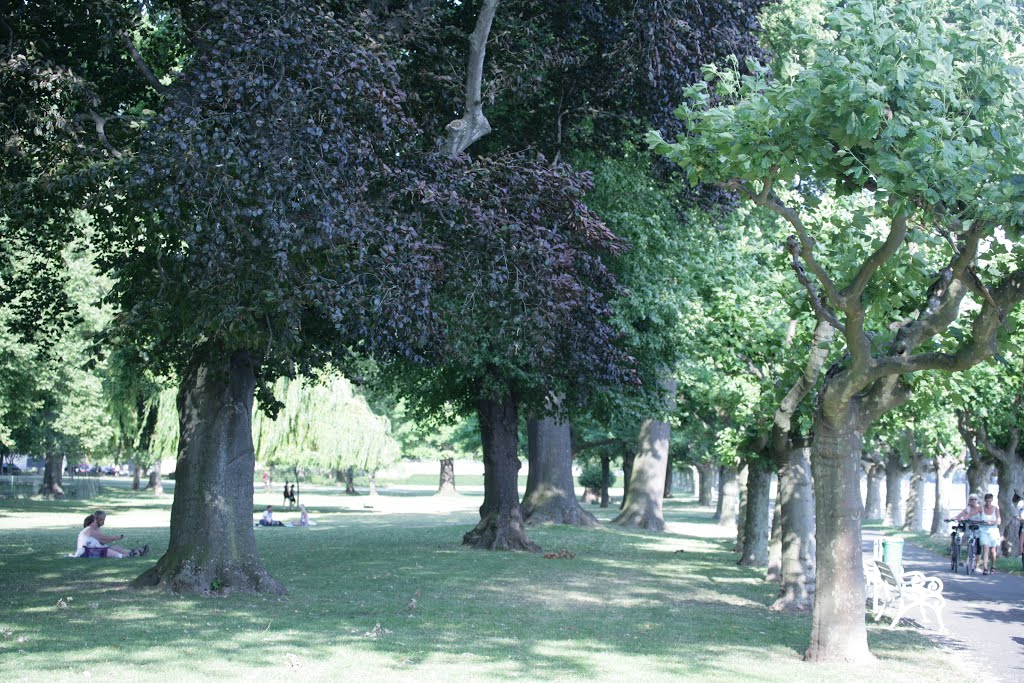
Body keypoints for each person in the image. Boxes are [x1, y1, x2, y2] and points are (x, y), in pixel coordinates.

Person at [74, 510, 148, 558]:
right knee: (107, 551)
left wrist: (116, 538)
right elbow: (103, 538)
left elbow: (103, 542)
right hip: (84, 554)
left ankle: (135, 552)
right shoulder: (89, 529)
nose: (101, 522)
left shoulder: (95, 529)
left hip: (91, 550)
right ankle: (129, 555)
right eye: (96, 520)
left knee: (115, 547)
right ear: (93, 522)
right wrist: (118, 537)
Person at [978, 493, 1002, 574]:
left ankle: (993, 565)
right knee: (985, 548)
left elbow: (999, 521)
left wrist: (991, 522)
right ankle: (985, 568)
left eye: (990, 501)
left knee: (992, 550)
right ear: (985, 500)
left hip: (993, 531)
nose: (988, 502)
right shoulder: (981, 508)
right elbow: (973, 514)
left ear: (992, 500)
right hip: (983, 531)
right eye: (987, 501)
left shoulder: (996, 509)